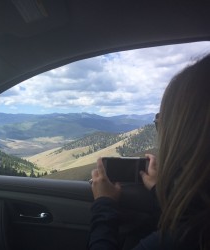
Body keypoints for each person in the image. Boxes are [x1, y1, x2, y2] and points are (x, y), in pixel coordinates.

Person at [89, 54, 210, 250]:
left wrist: (103, 205)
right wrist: (159, 189)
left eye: (162, 123)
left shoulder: (181, 238)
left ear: (189, 137)